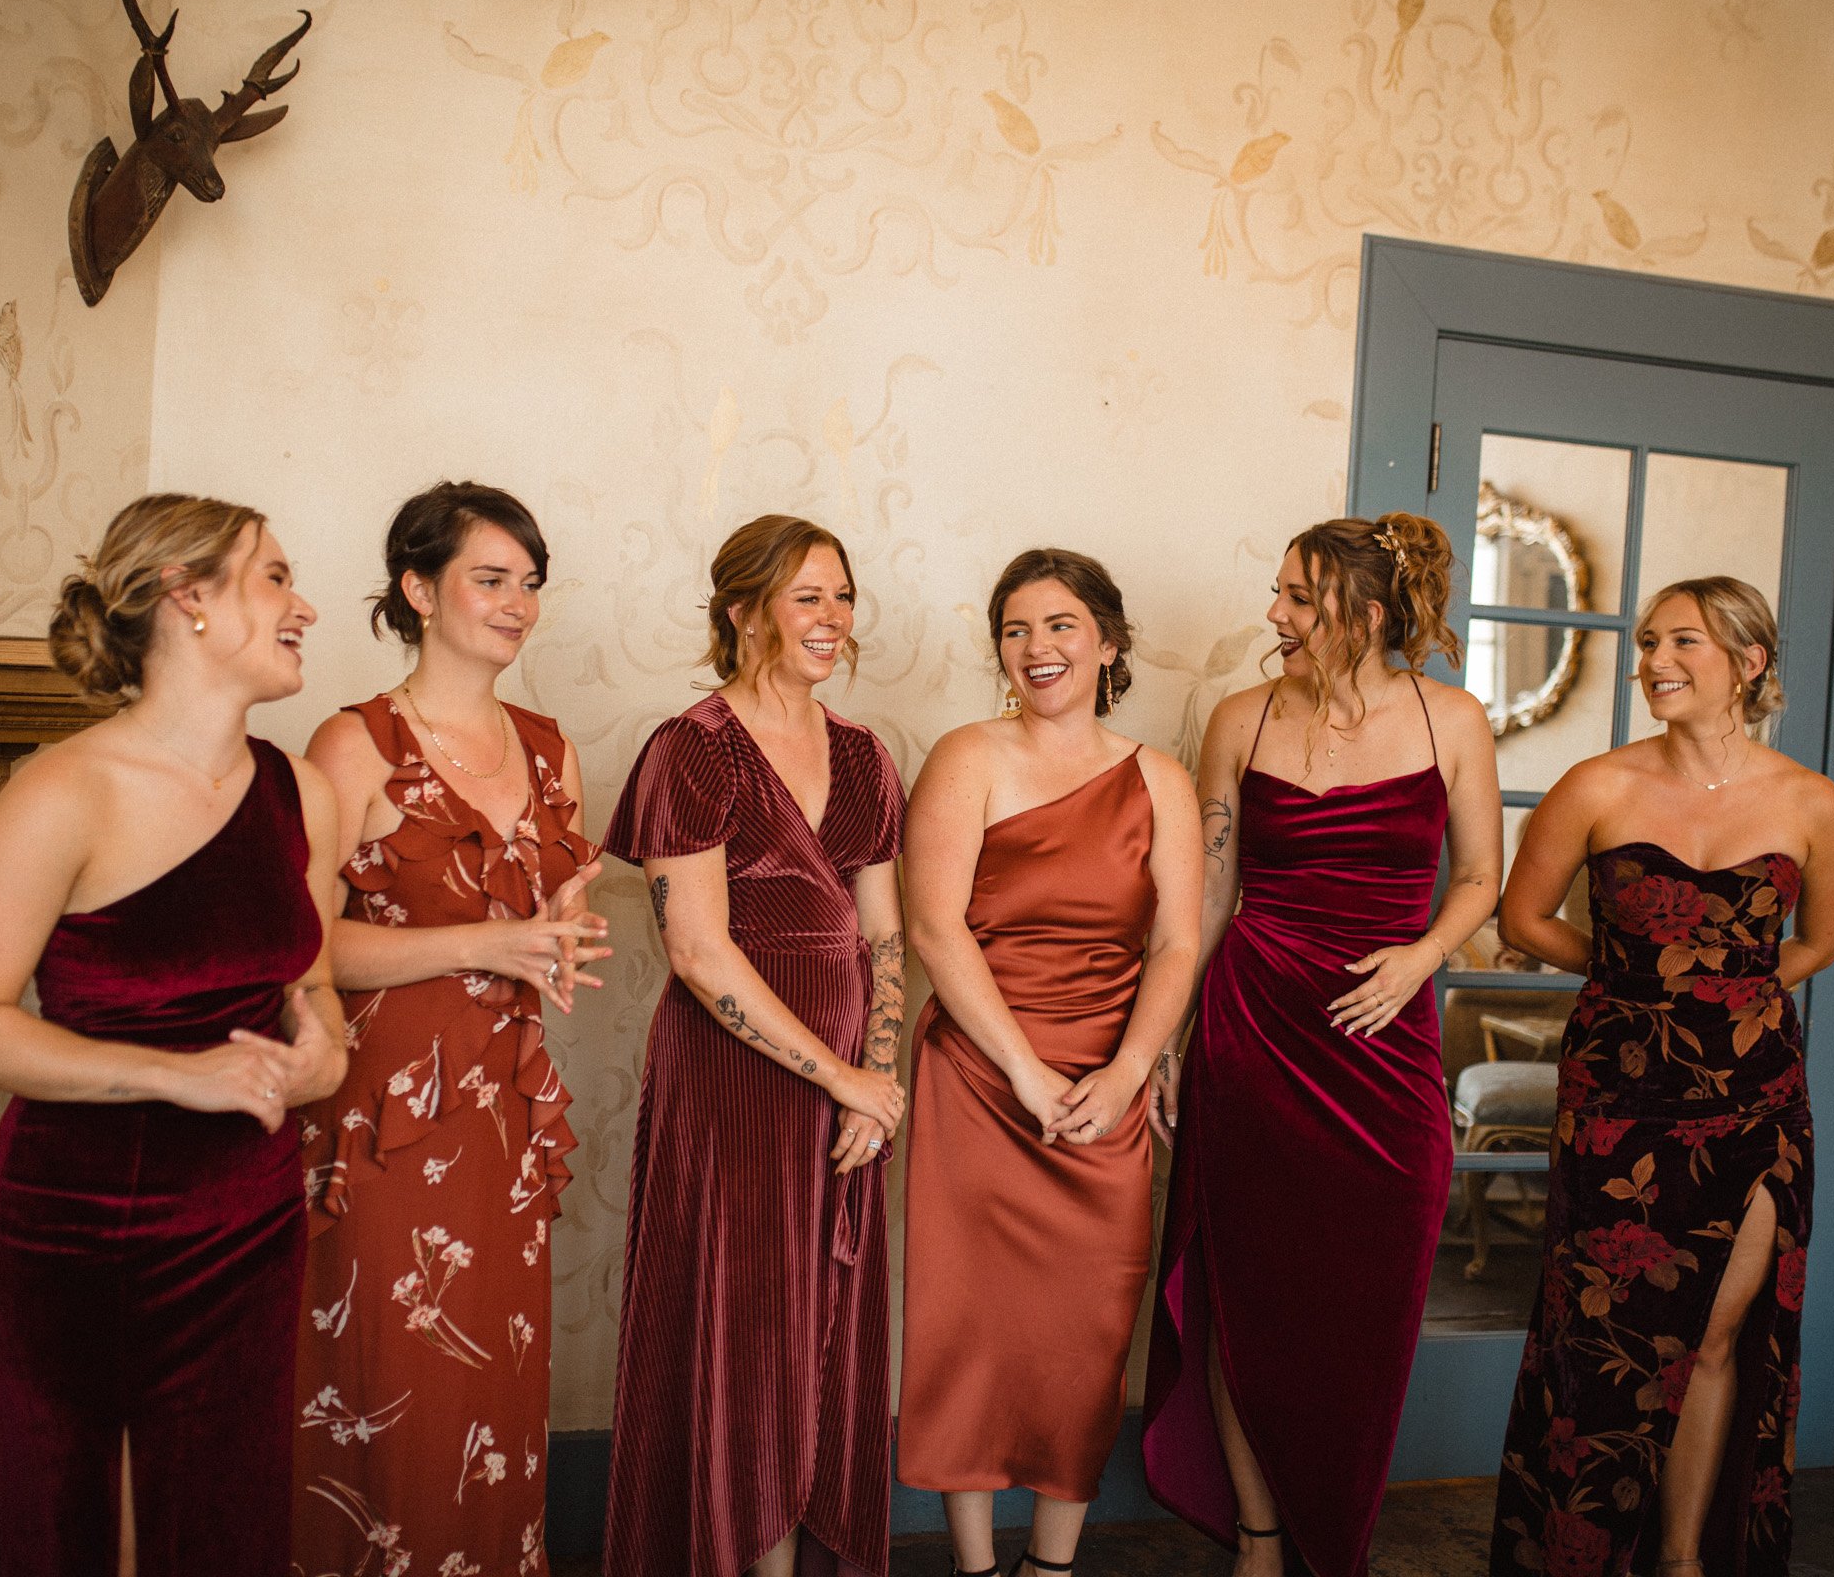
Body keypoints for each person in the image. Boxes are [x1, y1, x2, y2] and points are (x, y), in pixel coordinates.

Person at [0, 494, 346, 1576]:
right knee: (91, 1529)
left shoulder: (300, 790)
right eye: (274, 576)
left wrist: (321, 1057)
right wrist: (181, 1076)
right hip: (85, 1232)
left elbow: (315, 985)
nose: (305, 605)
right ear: (187, 597)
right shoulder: (63, 790)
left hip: (250, 1224)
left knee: (224, 1519)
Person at [1141, 513, 1502, 1577]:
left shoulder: (1454, 722)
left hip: (1387, 1048)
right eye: (1281, 593)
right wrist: (1164, 1038)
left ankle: (1334, 1535)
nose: (1275, 615)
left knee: (1360, 1312)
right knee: (1243, 1292)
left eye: (1298, 597)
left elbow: (1480, 878)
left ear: (1367, 611)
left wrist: (1418, 955)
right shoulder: (1240, 718)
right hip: (1252, 1032)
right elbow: (1209, 893)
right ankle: (1259, 1538)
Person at [1487, 578, 1834, 1577]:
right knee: (1600, 1347)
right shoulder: (1594, 787)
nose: (1653, 661)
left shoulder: (1812, 801)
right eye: (1649, 641)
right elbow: (1523, 919)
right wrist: (1639, 978)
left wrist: (1723, 992)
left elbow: (1817, 940)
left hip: (1758, 1104)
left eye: (1681, 642)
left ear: (1749, 661)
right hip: (1617, 1101)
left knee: (1723, 1332)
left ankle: (1685, 1559)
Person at [291, 482, 611, 1575]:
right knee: (391, 1389)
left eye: (530, 583)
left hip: (505, 1119)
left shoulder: (550, 745)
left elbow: (545, 920)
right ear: (418, 590)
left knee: (495, 1389)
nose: (518, 603)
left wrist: (559, 935)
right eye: (491, 578)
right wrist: (488, 943)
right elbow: (307, 947)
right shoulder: (355, 745)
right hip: (387, 1118)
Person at [600, 514, 909, 1577]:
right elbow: (698, 952)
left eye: (842, 595)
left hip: (850, 1096)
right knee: (744, 1332)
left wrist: (881, 1080)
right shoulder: (692, 748)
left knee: (820, 1333)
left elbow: (886, 935)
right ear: (743, 613)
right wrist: (847, 1080)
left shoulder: (867, 756)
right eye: (807, 597)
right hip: (732, 1085)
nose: (834, 620)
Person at [899, 549, 1203, 1577]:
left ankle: (1053, 1566)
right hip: (984, 1081)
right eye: (1018, 629)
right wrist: (1026, 1073)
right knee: (971, 1332)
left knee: (1086, 1337)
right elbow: (934, 931)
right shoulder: (965, 756)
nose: (1039, 648)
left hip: (1104, 1083)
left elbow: (1177, 944)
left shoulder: (1160, 777)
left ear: (1108, 642)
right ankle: (978, 1565)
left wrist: (1124, 1074)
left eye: (1062, 625)